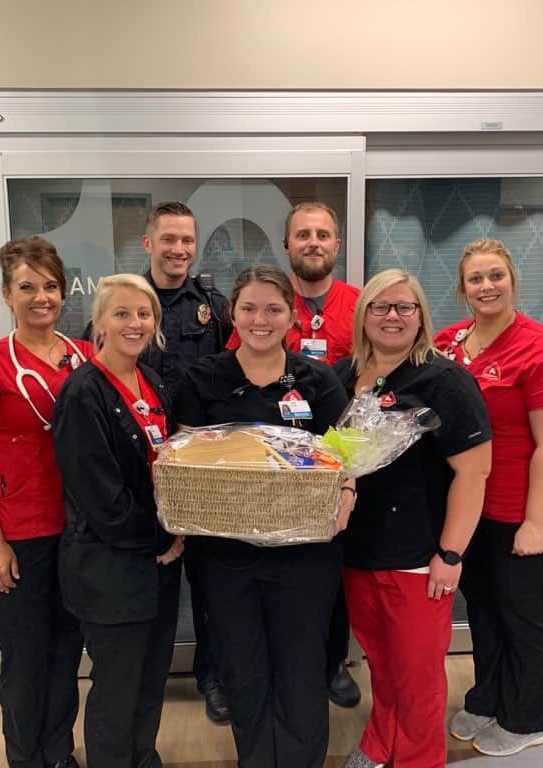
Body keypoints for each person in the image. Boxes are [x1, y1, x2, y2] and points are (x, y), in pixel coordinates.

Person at [176, 265, 355, 768]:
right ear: (233, 312)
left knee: (300, 667)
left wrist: (347, 491)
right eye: (250, 308)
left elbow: (344, 458)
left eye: (273, 309)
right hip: (226, 555)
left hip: (306, 555)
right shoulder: (203, 379)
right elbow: (185, 462)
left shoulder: (316, 381)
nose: (261, 319)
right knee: (245, 669)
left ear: (291, 315)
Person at [81, 200, 233, 723]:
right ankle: (139, 684)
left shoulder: (213, 304)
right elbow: (96, 380)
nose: (179, 249)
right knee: (150, 579)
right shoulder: (123, 299)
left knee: (210, 583)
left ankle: (212, 677)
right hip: (137, 472)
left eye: (187, 240)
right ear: (148, 243)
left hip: (199, 468)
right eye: (168, 239)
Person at [335, 269, 492, 768]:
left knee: (419, 676)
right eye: (381, 307)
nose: (393, 317)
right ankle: (381, 743)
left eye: (405, 307)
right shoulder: (341, 377)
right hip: (357, 554)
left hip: (418, 560)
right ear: (364, 317)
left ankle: (419, 759)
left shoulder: (445, 381)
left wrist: (450, 554)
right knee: (381, 664)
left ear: (421, 316)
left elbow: (474, 473)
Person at [435, 238, 543, 758]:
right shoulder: (449, 341)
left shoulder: (542, 347)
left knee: (523, 613)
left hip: (527, 509)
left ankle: (528, 716)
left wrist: (535, 525)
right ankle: (488, 697)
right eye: (475, 278)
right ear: (462, 288)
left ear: (513, 280)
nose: (486, 286)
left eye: (495, 275)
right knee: (484, 611)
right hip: (472, 509)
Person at [0, 236, 92, 768]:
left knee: (65, 656)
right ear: (8, 296)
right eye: (27, 287)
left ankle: (59, 754)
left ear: (64, 293)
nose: (42, 297)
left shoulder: (82, 358)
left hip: (74, 535)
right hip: (14, 536)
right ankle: (26, 759)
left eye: (51, 286)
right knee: (25, 660)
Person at [228, 201, 363, 707]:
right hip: (267, 469)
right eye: (302, 234)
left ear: (336, 244)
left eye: (323, 234)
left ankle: (332, 666)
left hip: (334, 455)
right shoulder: (267, 303)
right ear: (286, 245)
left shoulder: (359, 303)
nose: (313, 241)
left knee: (330, 575)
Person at [52, 274, 185, 768]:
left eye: (144, 314)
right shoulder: (84, 392)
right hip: (112, 567)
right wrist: (163, 537)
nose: (135, 324)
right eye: (122, 314)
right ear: (99, 323)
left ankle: (143, 758)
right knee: (117, 686)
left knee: (152, 679)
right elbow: (100, 498)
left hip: (159, 563)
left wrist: (174, 533)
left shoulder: (150, 381)